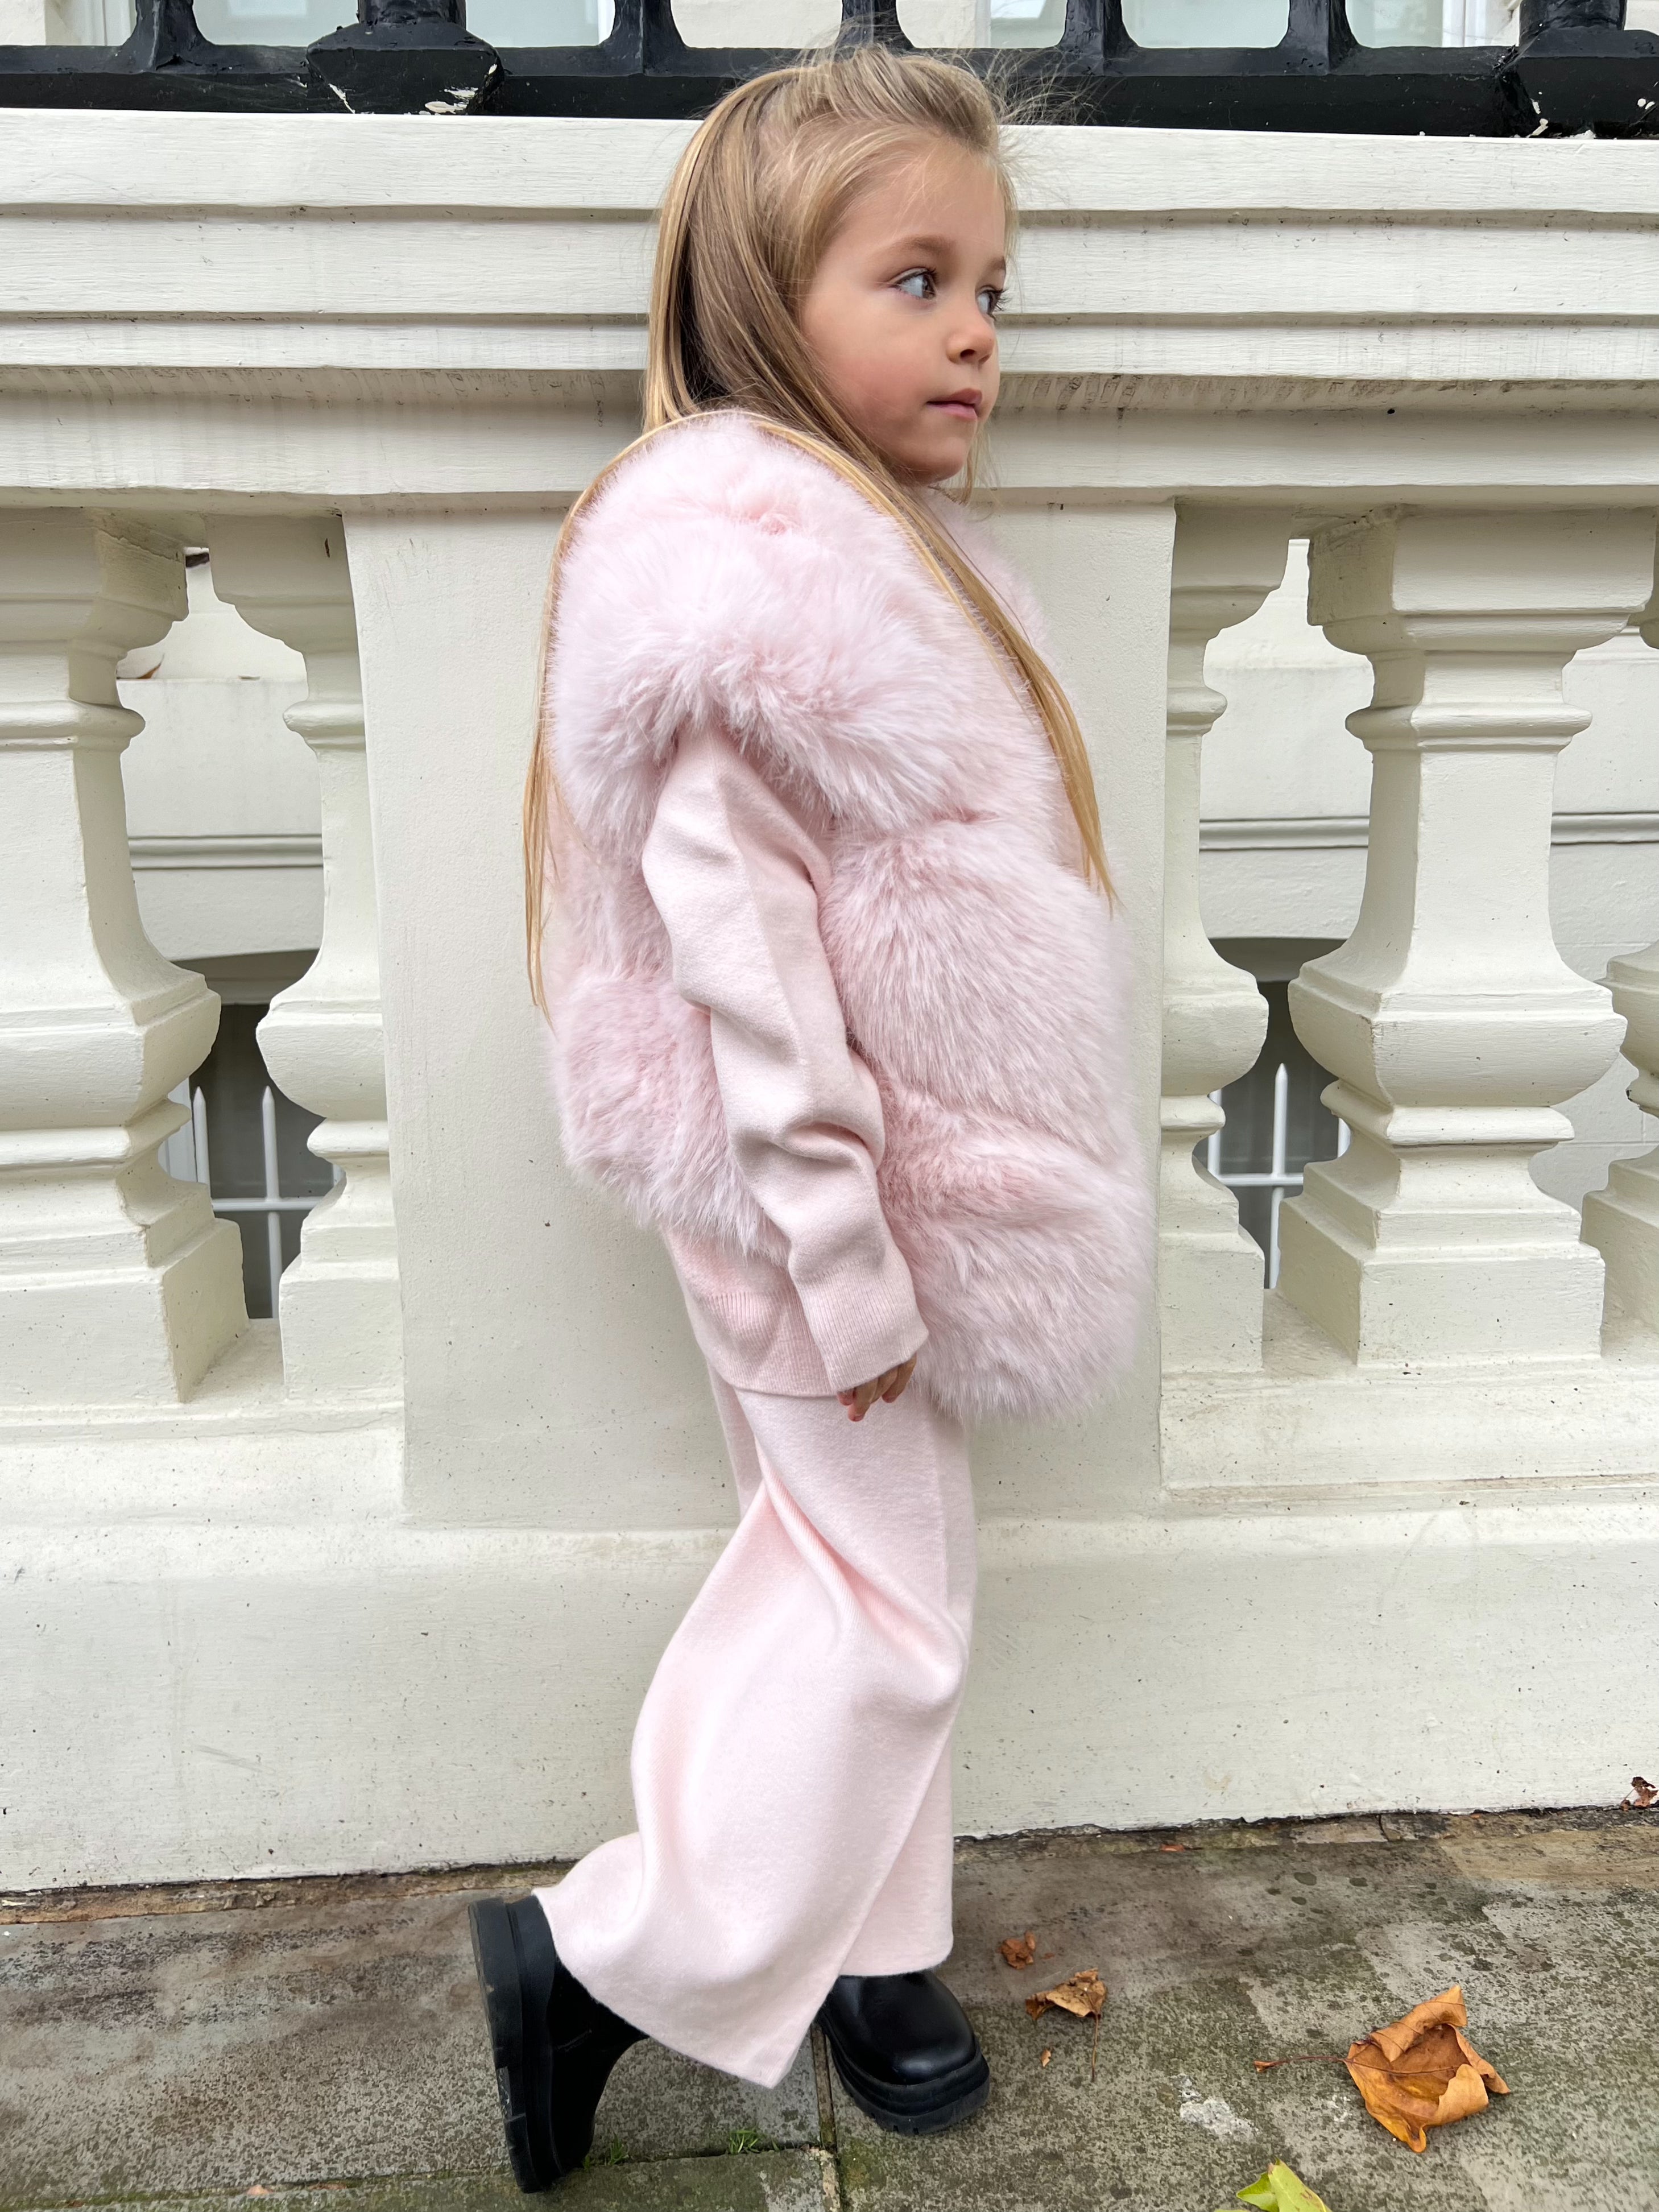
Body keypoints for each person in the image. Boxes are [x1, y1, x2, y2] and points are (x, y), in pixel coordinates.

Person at [468, 42, 1149, 2192]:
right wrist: (850, 1260)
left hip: (851, 1212)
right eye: (918, 279)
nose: (976, 331)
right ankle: (602, 1958)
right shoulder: (749, 586)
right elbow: (748, 977)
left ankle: (880, 1952)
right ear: (768, 296)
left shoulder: (874, 560)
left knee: (856, 1570)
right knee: (892, 1613)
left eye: (993, 289)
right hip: (807, 1218)